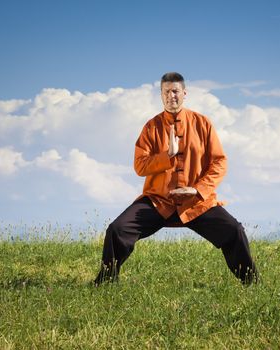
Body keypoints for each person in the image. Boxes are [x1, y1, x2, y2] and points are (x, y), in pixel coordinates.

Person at [94, 72, 258, 285]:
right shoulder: (151, 127)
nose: (171, 96)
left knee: (234, 230)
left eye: (175, 91)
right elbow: (140, 166)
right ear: (161, 96)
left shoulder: (202, 123)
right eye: (166, 92)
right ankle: (105, 282)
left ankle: (251, 283)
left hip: (195, 202)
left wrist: (197, 189)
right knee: (117, 229)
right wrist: (167, 156)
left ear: (184, 93)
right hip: (158, 201)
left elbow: (219, 162)